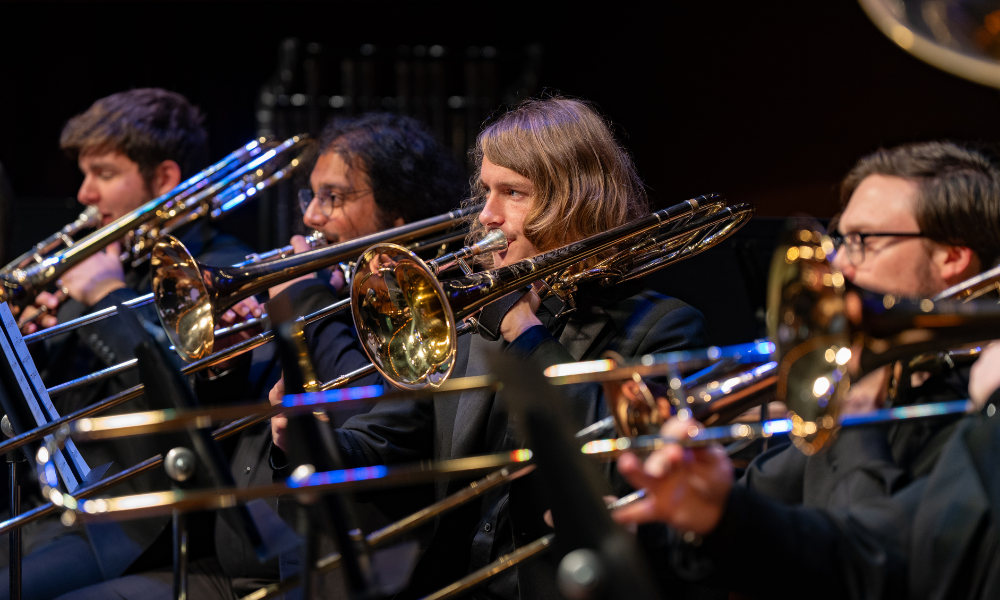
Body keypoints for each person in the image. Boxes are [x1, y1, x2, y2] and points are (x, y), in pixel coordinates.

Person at [269, 97, 709, 599]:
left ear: (575, 199)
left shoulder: (661, 326)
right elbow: (389, 439)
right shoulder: (473, 324)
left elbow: (615, 469)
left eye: (512, 192)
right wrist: (311, 440)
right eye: (486, 191)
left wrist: (524, 332)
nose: (488, 214)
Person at [58, 112, 468, 600]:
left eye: (333, 198)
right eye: (310, 197)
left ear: (398, 214)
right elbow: (222, 425)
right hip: (225, 560)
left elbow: (360, 416)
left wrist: (303, 300)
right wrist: (224, 366)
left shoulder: (419, 314)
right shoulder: (323, 293)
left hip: (318, 575)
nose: (312, 217)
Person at [611, 141, 1000, 599]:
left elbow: (875, 565)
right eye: (840, 239)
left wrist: (854, 411)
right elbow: (773, 516)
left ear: (951, 257)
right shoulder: (879, 386)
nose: (836, 262)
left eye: (863, 241)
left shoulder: (966, 414)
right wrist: (651, 531)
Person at [3, 88, 255, 600]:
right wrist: (30, 340)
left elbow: (178, 391)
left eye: (104, 173)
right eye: (84, 173)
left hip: (140, 520)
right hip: (54, 499)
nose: (83, 194)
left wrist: (103, 296)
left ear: (163, 178)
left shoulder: (221, 266)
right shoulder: (96, 264)